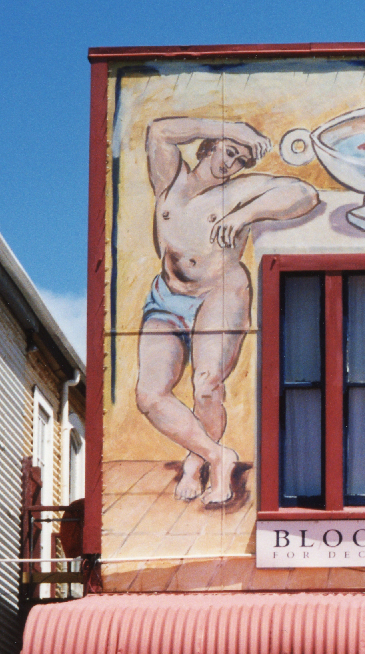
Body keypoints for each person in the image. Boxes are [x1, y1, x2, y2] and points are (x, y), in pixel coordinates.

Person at [137, 117, 319, 504]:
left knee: (206, 387)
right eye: (227, 150)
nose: (229, 163)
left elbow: (304, 193)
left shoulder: (237, 192)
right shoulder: (170, 182)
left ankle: (201, 464)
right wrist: (239, 131)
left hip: (220, 294)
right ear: (208, 146)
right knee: (150, 395)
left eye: (238, 159)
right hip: (167, 298)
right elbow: (159, 132)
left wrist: (242, 216)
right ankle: (215, 453)